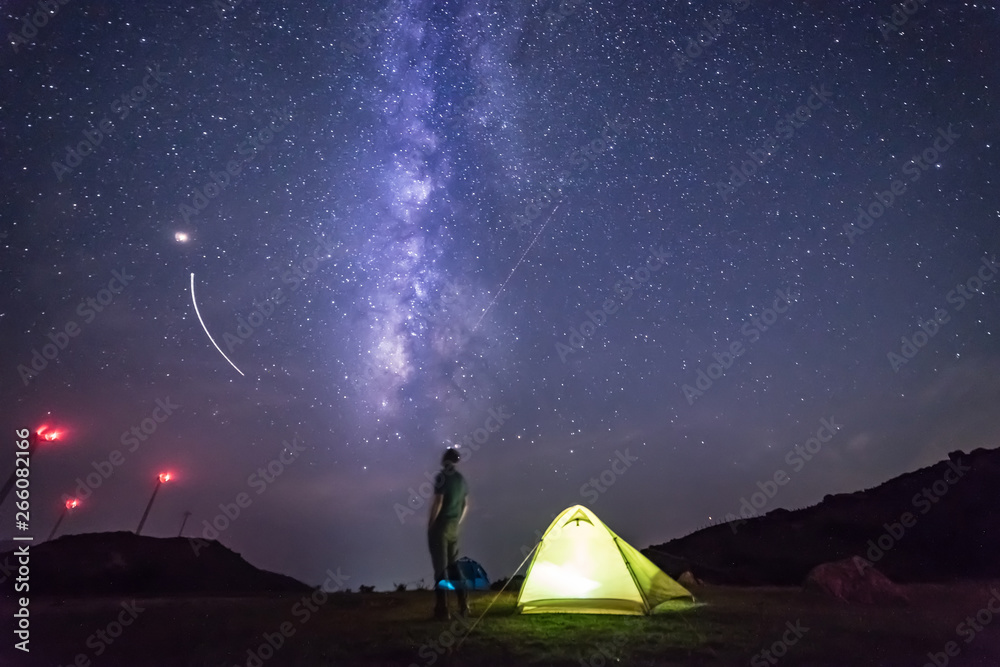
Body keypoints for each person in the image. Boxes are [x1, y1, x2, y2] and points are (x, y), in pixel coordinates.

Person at [427, 447, 469, 620]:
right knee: (454, 567)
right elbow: (465, 505)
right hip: (454, 528)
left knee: (440, 568)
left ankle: (443, 610)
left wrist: (431, 524)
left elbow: (438, 502)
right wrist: (458, 521)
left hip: (441, 527)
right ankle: (464, 606)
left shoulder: (441, 477)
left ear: (445, 461)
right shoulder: (461, 480)